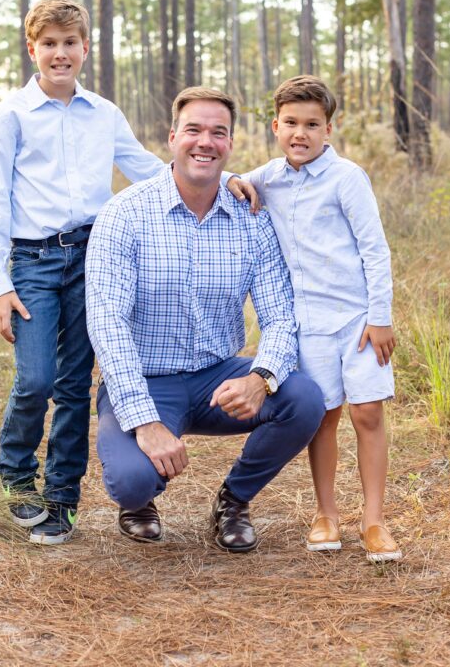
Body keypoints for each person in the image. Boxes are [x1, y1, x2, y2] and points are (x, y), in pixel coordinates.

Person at [0, 0, 258, 546]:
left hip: (93, 254)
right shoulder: (10, 115)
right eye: (49, 44)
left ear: (85, 49)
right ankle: (16, 475)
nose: (61, 53)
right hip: (33, 260)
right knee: (35, 378)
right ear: (32, 49)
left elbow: (154, 169)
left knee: (75, 382)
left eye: (70, 43)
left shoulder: (103, 114)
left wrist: (222, 180)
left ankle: (61, 497)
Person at [84, 86, 325, 552]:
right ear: (172, 136)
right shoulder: (125, 214)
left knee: (304, 397)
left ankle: (233, 501)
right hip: (146, 378)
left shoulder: (250, 214)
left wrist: (261, 376)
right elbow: (108, 324)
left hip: (217, 376)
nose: (205, 142)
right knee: (132, 480)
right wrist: (145, 422)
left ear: (230, 144)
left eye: (219, 133)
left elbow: (280, 316)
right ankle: (139, 502)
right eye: (194, 130)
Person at [243, 75, 401, 563]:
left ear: (328, 129)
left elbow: (374, 249)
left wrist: (381, 317)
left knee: (367, 412)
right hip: (306, 322)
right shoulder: (269, 177)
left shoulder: (347, 178)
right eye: (291, 123)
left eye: (313, 124)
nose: (301, 133)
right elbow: (239, 182)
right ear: (275, 125)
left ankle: (374, 520)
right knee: (323, 417)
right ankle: (326, 513)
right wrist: (234, 180)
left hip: (356, 319)